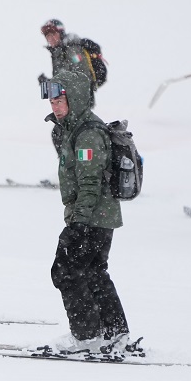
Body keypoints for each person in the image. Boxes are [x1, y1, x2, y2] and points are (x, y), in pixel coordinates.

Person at [41, 69, 128, 350]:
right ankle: (114, 333)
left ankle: (86, 335)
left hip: (92, 217)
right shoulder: (74, 127)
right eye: (51, 101)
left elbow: (90, 183)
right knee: (93, 272)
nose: (54, 105)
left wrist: (77, 224)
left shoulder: (88, 133)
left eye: (59, 99)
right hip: (98, 217)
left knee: (66, 270)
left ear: (75, 98)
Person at [39, 19, 103, 98]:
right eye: (48, 35)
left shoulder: (72, 49)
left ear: (61, 33)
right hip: (70, 102)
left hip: (80, 100)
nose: (50, 38)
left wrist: (52, 86)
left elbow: (81, 78)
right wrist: (50, 85)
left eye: (53, 34)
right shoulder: (57, 53)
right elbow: (65, 76)